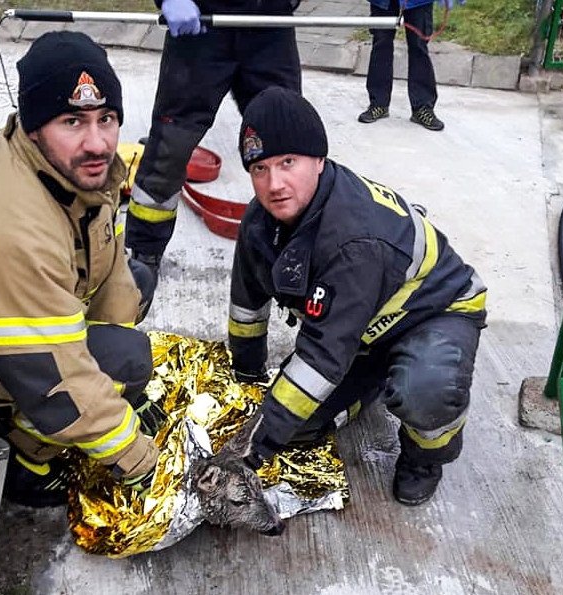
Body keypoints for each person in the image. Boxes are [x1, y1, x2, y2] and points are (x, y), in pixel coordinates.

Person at [227, 87, 487, 505]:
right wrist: (244, 376)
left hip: (434, 312)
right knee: (297, 427)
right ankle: (373, 381)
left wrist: (252, 449)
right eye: (260, 168)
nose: (274, 184)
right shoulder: (261, 223)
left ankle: (426, 456)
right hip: (363, 330)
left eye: (288, 163)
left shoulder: (353, 240)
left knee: (423, 391)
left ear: (319, 159)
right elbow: (246, 306)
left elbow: (320, 357)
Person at [0, 31, 167, 508]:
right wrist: (137, 458)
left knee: (135, 295)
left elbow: (109, 270)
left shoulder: (69, 169)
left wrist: (117, 391)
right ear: (33, 125)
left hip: (21, 317)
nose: (97, 142)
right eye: (72, 121)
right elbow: (47, 372)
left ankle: (93, 400)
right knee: (113, 361)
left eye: (107, 118)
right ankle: (26, 459)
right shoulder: (13, 222)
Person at [124, 0, 303, 280]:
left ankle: (296, 248)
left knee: (288, 146)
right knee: (170, 149)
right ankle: (144, 255)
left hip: (270, 29)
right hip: (199, 32)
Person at [358, 0, 465, 130]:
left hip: (419, 2)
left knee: (419, 46)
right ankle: (378, 103)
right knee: (381, 44)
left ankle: (422, 107)